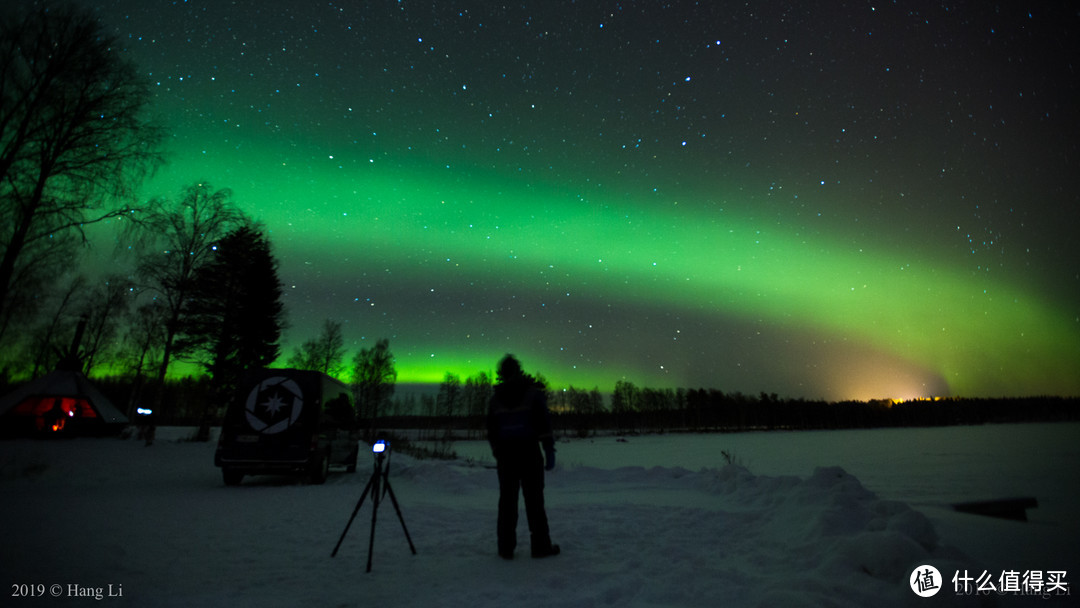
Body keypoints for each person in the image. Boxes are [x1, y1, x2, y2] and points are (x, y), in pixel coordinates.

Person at [487, 355, 559, 559]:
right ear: (518, 371)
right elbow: (543, 423)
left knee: (507, 502)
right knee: (534, 501)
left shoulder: (496, 399)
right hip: (529, 453)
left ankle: (505, 548)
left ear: (502, 374)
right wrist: (549, 449)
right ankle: (541, 546)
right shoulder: (532, 395)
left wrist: (497, 451)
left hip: (507, 456)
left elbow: (491, 430)